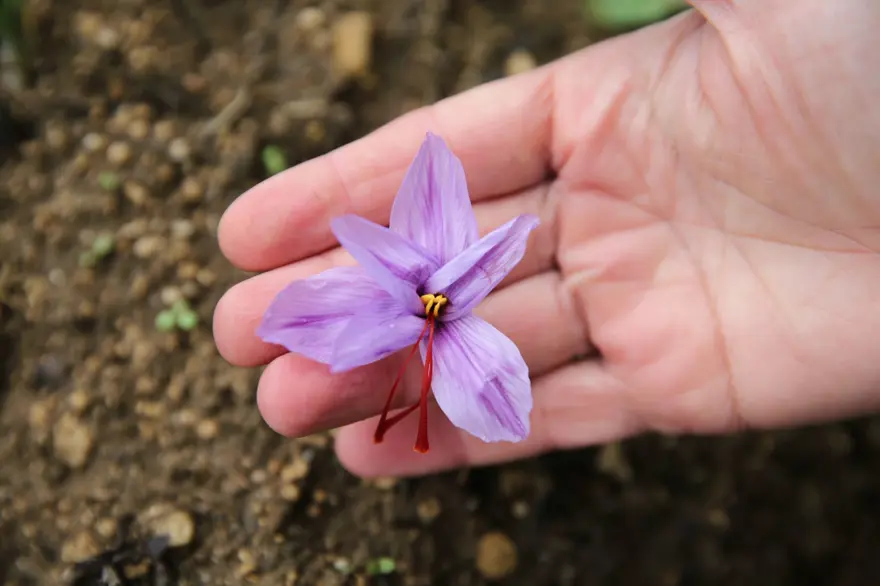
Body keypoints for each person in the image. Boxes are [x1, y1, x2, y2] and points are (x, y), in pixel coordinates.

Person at [213, 0, 880, 478]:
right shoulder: (424, 300)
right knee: (333, 346)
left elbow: (472, 266)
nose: (433, 304)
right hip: (410, 302)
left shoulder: (446, 302)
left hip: (444, 306)